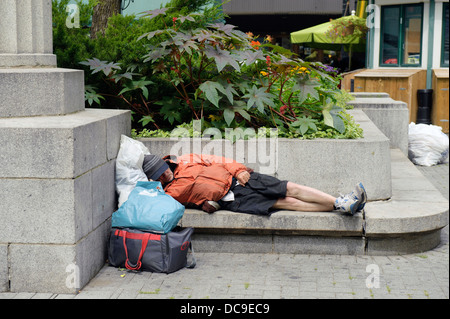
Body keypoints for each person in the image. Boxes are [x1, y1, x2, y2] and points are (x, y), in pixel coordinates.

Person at [142, 153, 367, 216]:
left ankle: (340, 202)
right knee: (283, 202)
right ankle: (342, 206)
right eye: (157, 178)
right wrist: (204, 205)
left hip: (240, 179)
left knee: (288, 187)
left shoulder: (186, 160)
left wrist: (238, 169)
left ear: (166, 164)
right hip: (231, 199)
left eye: (162, 173)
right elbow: (188, 203)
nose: (163, 178)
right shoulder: (167, 194)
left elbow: (218, 160)